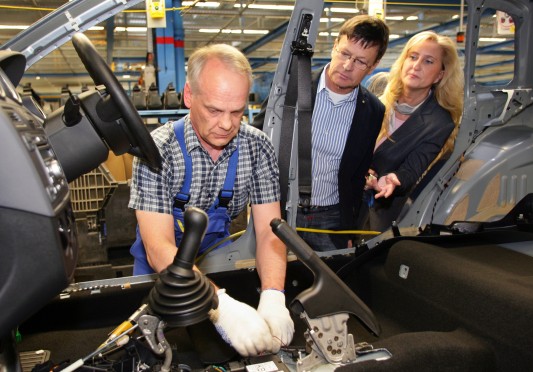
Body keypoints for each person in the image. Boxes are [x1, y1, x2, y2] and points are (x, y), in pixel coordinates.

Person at [128, 44, 294, 357]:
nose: (228, 124)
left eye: (237, 111)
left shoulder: (257, 148)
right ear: (190, 97)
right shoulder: (157, 151)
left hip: (214, 260)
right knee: (152, 347)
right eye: (215, 110)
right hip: (159, 268)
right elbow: (158, 248)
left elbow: (270, 231)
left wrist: (274, 294)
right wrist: (222, 306)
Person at [253, 15, 390, 251]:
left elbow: (356, 177)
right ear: (335, 45)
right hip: (280, 210)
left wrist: (349, 227)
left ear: (374, 66)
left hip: (331, 221)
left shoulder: (373, 111)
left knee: (329, 283)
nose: (347, 66)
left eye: (360, 62)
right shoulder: (291, 88)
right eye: (345, 54)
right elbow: (256, 138)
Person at [362, 31, 464, 231]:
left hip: (379, 213)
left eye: (428, 61)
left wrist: (393, 179)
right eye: (413, 57)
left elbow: (412, 168)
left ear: (440, 75)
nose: (416, 66)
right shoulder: (377, 89)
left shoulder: (439, 122)